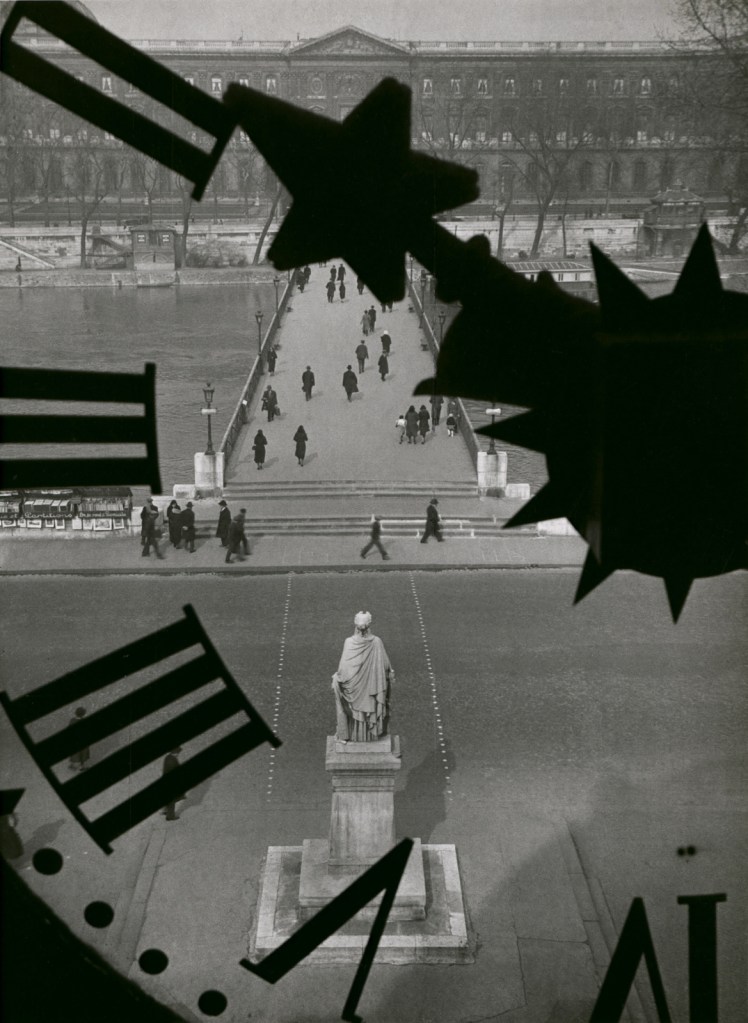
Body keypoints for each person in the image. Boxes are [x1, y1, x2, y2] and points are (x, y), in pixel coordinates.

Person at [331, 611, 394, 742]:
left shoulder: (349, 642)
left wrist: (337, 677)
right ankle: (371, 734)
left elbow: (344, 669)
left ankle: (351, 734)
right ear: (369, 624)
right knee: (369, 706)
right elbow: (386, 664)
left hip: (354, 689)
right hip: (371, 690)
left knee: (351, 705)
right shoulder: (377, 642)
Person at [160, 747, 185, 821]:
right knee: (172, 800)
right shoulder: (172, 760)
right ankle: (170, 817)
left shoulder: (167, 757)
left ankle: (165, 811)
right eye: (177, 753)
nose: (178, 754)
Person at [68, 707, 90, 771]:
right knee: (83, 753)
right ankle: (82, 767)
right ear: (83, 714)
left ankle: (72, 765)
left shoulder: (72, 720)